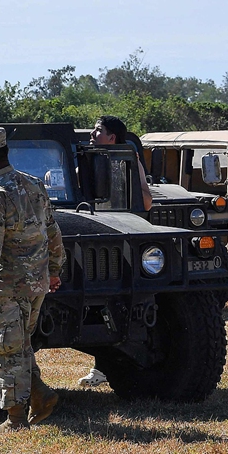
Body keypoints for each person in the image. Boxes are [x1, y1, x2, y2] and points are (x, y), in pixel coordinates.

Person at [0, 127, 65, 432]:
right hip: (37, 283)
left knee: (6, 350)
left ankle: (15, 420)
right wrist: (54, 271)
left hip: (7, 287)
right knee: (19, 345)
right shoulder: (34, 184)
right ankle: (41, 396)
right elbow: (52, 230)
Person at [78, 115, 152, 388]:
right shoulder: (83, 160)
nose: (92, 134)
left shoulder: (128, 161)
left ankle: (107, 367)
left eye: (98, 130)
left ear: (112, 138)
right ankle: (102, 367)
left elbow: (146, 201)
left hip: (124, 238)